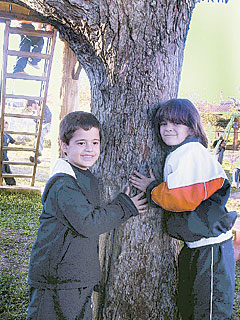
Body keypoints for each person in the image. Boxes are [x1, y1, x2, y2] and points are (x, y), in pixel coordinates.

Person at [26, 111, 147, 319]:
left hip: (76, 277)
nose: (89, 149)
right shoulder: (63, 185)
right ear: (64, 146)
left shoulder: (86, 176)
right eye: (81, 143)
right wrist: (125, 207)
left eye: (95, 142)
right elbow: (88, 222)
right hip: (55, 280)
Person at [130, 99, 237, 320]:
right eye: (163, 123)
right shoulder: (182, 152)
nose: (168, 128)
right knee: (189, 308)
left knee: (209, 312)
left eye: (177, 123)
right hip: (197, 246)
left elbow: (182, 198)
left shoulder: (191, 152)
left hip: (211, 250)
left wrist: (151, 189)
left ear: (191, 127)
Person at [2, 121, 25, 185]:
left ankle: (11, 184)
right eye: (3, 127)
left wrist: (21, 142)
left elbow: (14, 142)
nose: (5, 128)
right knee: (2, 170)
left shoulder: (7, 136)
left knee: (7, 169)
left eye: (6, 127)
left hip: (5, 156)